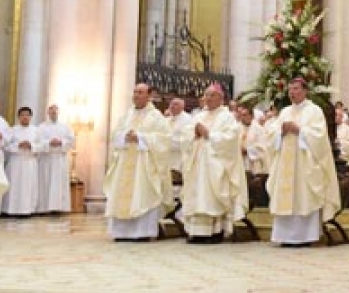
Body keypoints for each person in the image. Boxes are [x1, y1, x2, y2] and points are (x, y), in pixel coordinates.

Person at [265, 77, 340, 247]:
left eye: (296, 89)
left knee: (304, 197)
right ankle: (285, 237)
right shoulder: (285, 112)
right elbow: (271, 133)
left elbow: (320, 136)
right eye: (290, 89)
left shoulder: (314, 111)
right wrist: (280, 132)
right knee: (286, 198)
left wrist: (300, 130)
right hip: (285, 163)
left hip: (304, 164)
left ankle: (304, 237)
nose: (292, 92)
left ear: (305, 91)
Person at [104, 83, 173, 241]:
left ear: (149, 95)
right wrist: (124, 136)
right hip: (125, 162)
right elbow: (114, 135)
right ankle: (121, 233)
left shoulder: (156, 116)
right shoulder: (126, 115)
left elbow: (164, 139)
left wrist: (141, 138)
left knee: (142, 196)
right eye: (135, 92)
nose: (136, 95)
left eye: (140, 92)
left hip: (144, 166)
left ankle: (142, 232)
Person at [179, 84, 248, 244]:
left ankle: (215, 232)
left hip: (215, 165)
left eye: (212, 95)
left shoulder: (227, 117)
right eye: (206, 95)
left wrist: (209, 134)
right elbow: (185, 136)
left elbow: (231, 139)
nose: (208, 98)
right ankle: (196, 232)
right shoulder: (198, 116)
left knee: (212, 197)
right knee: (196, 195)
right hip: (197, 163)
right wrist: (194, 133)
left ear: (221, 98)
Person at [36, 104, 75, 214]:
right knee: (45, 182)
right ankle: (44, 208)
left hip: (59, 159)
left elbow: (71, 141)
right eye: (51, 112)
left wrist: (61, 142)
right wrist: (49, 142)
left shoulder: (65, 127)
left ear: (58, 113)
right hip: (46, 159)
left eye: (55, 112)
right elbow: (37, 141)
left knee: (59, 184)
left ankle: (59, 208)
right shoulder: (41, 127)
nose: (53, 113)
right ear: (48, 113)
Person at [3, 107, 41, 217]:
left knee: (28, 186)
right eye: (22, 115)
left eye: (27, 115)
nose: (25, 117)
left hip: (29, 162)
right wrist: (18, 145)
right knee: (14, 186)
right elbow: (6, 145)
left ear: (30, 117)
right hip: (16, 162)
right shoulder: (12, 130)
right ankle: (11, 209)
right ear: (18, 117)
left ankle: (27, 209)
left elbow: (42, 146)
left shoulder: (36, 131)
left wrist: (31, 145)